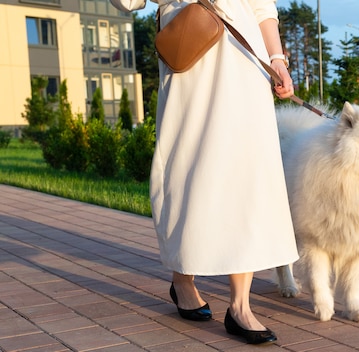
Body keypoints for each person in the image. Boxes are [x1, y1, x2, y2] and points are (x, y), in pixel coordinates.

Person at [109, 0, 299, 345]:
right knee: (190, 175)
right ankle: (183, 279)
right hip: (191, 58)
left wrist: (277, 59)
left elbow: (261, 7)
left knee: (247, 175)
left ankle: (240, 306)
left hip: (243, 60)